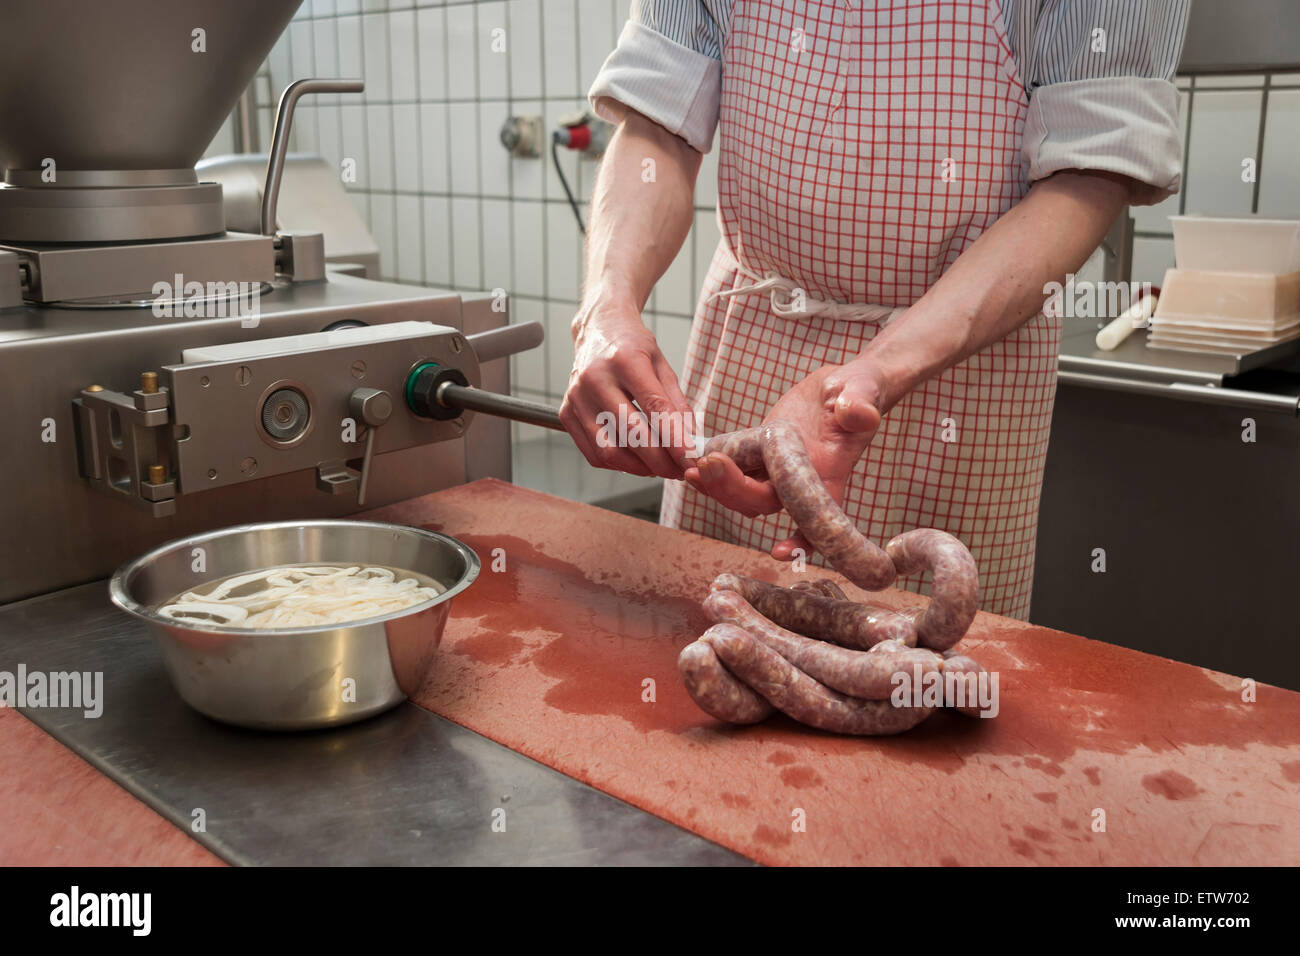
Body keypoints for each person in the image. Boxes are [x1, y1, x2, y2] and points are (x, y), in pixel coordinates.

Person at [561, 0, 1190, 619]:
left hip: (964, 370)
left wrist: (876, 372)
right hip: (750, 339)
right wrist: (606, 306)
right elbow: (657, 127)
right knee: (710, 636)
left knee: (929, 674)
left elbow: (1091, 169)